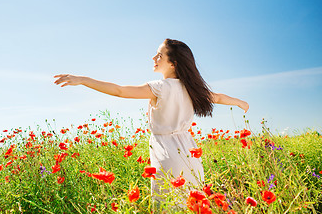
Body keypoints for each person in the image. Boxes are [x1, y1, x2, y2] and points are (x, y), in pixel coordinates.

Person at [53, 38, 249, 211]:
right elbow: (221, 97)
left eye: (159, 55)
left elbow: (120, 91)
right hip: (189, 153)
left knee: (167, 206)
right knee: (193, 205)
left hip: (167, 153)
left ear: (173, 64)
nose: (153, 58)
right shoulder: (193, 89)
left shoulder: (160, 88)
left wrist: (83, 79)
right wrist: (241, 103)